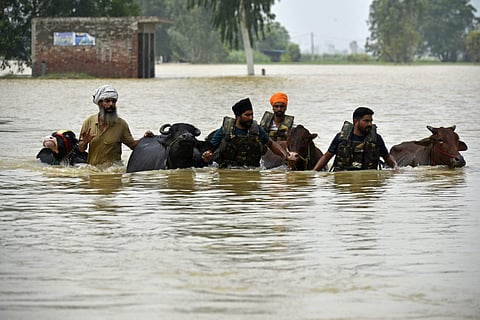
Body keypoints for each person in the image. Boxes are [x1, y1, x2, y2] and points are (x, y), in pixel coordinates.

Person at [202, 97, 296, 168]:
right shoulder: (226, 129)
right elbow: (211, 146)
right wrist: (207, 154)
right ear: (238, 116)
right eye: (247, 115)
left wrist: (285, 156)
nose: (251, 118)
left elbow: (271, 144)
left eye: (252, 114)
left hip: (252, 169)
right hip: (228, 169)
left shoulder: (257, 129)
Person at [78, 84, 152, 167]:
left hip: (114, 173)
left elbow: (133, 145)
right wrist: (84, 142)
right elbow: (81, 149)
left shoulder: (121, 124)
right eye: (107, 101)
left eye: (113, 101)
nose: (111, 104)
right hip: (93, 172)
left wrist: (146, 139)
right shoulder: (88, 122)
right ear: (99, 103)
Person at [313, 106, 398, 171]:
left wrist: (395, 168)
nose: (370, 124)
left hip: (368, 181)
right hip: (345, 182)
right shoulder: (341, 138)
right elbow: (327, 156)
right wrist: (314, 172)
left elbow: (387, 157)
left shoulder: (376, 139)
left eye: (371, 121)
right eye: (366, 121)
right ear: (356, 121)